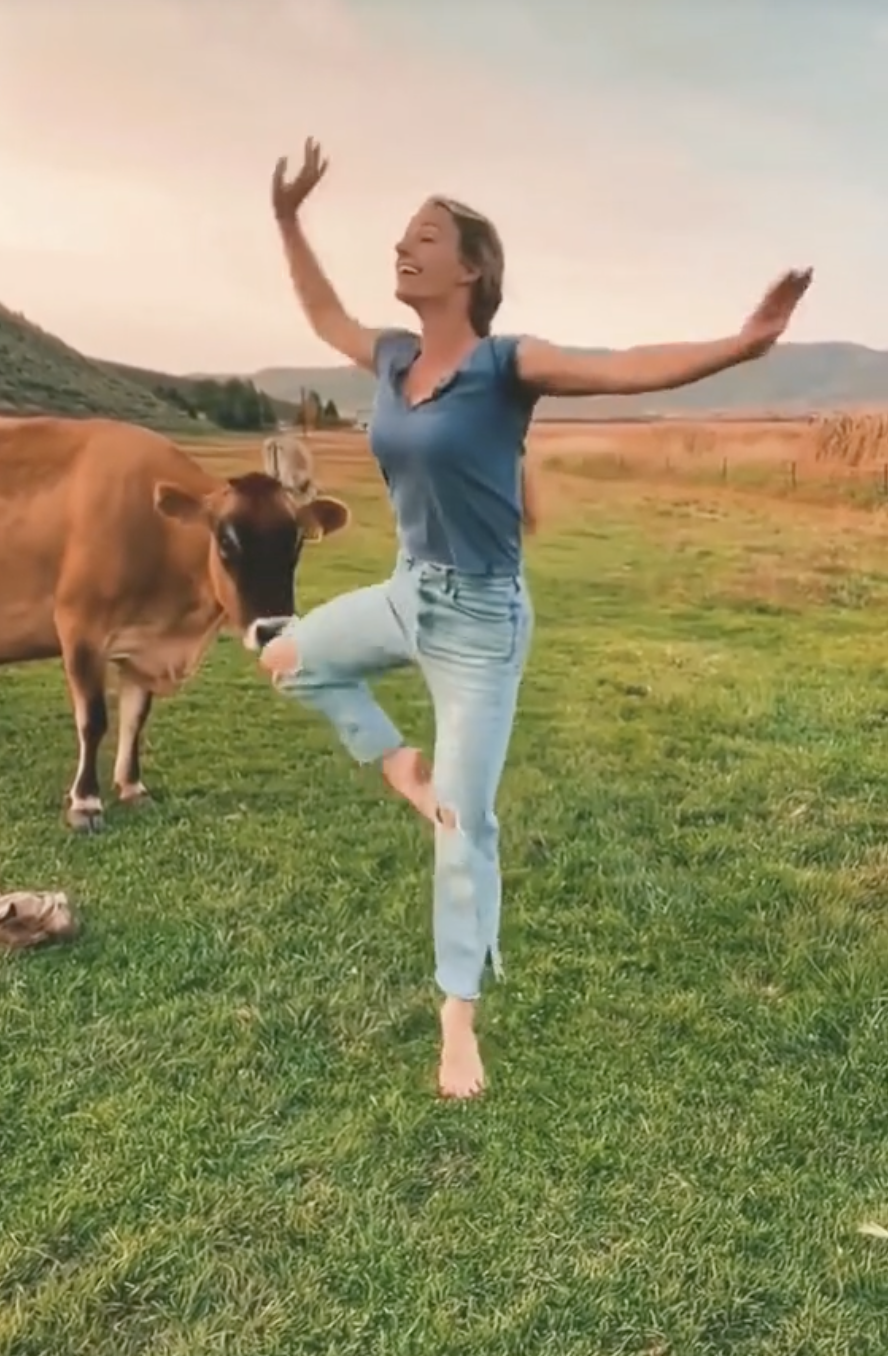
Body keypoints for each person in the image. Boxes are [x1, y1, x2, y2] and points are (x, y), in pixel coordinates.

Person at [258, 136, 813, 1099]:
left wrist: (743, 343)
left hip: (480, 624)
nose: (402, 245)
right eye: (401, 234)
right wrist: (287, 218)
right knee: (293, 659)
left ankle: (457, 1018)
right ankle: (401, 765)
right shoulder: (390, 358)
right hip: (405, 590)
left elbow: (630, 365)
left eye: (425, 236)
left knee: (463, 827)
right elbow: (321, 312)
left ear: (470, 268)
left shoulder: (510, 365)